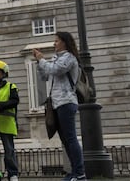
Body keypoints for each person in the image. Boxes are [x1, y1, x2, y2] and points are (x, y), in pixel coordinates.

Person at [33, 31, 86, 181]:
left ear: (64, 42)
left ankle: (80, 173)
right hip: (57, 103)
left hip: (67, 101)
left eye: (56, 41)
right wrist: (39, 63)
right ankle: (74, 172)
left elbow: (55, 70)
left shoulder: (70, 58)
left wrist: (42, 60)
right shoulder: (57, 58)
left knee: (70, 138)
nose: (54, 44)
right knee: (65, 140)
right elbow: (45, 76)